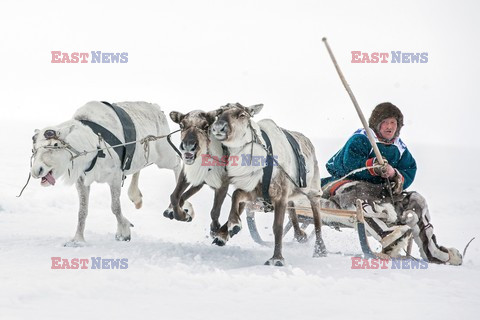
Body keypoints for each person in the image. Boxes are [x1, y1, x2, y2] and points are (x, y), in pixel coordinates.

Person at [321, 102, 462, 265]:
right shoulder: (362, 138)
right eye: (385, 122)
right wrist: (374, 166)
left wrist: (394, 174)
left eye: (393, 123)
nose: (389, 127)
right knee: (360, 192)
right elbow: (349, 162)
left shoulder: (399, 147)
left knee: (416, 199)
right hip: (347, 184)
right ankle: (389, 237)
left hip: (381, 191)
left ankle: (432, 251)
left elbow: (410, 168)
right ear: (377, 125)